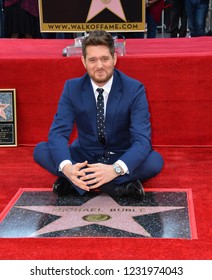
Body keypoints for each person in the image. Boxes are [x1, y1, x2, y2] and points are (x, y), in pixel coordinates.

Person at [33, 30, 164, 200]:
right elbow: (58, 133)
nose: (99, 66)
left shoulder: (134, 89)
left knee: (154, 161)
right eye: (92, 60)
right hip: (84, 156)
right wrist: (68, 168)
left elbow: (142, 141)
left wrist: (114, 169)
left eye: (104, 59)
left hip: (120, 154)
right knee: (41, 151)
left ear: (114, 59)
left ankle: (77, 183)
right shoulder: (72, 88)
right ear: (83, 61)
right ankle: (117, 187)